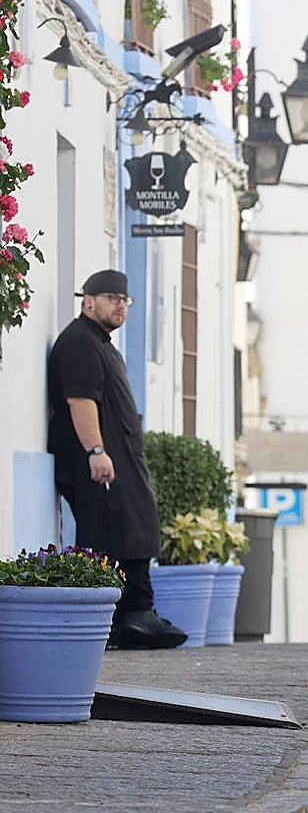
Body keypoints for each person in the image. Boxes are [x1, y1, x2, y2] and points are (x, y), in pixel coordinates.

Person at [47, 269, 187, 650]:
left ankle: (133, 616)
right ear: (88, 301)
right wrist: (96, 451)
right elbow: (80, 401)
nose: (120, 305)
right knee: (110, 532)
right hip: (97, 461)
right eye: (112, 298)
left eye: (124, 300)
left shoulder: (100, 343)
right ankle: (131, 614)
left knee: (132, 526)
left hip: (118, 459)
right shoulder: (80, 342)